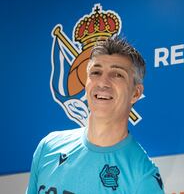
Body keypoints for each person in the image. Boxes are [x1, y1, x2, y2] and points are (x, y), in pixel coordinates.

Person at [26, 36, 165, 194]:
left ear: (136, 93)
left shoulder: (143, 175)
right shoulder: (48, 147)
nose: (102, 82)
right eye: (96, 72)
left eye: (117, 74)